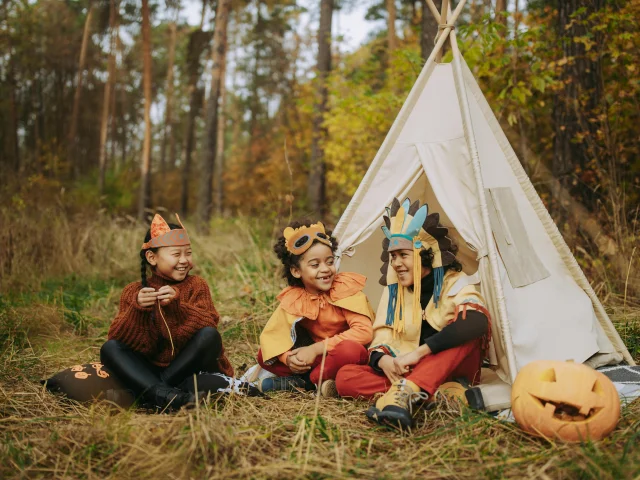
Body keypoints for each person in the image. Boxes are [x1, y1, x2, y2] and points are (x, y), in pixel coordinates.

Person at [335, 198, 491, 429]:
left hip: (448, 367)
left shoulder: (455, 283)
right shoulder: (394, 292)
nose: (396, 263)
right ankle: (440, 396)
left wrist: (420, 353)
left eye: (403, 255)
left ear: (425, 254)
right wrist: (384, 360)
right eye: (393, 256)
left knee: (464, 330)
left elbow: (478, 322)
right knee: (345, 377)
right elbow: (382, 337)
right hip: (411, 371)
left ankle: (406, 393)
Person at [100, 213, 234, 410]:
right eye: (176, 254)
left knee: (209, 335)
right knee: (109, 348)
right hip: (149, 367)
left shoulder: (197, 285)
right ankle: (171, 395)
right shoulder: (134, 292)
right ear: (152, 258)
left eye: (188, 253)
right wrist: (137, 310)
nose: (184, 260)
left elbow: (209, 324)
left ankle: (153, 392)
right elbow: (119, 338)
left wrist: (177, 307)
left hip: (188, 368)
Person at [257, 221, 374, 397]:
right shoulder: (295, 298)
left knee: (351, 350)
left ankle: (306, 382)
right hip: (316, 359)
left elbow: (364, 332)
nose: (326, 269)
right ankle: (318, 380)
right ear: (296, 271)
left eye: (329, 261)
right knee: (264, 354)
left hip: (339, 355)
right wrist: (288, 359)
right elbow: (274, 336)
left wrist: (316, 349)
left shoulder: (344, 289)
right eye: (315, 265)